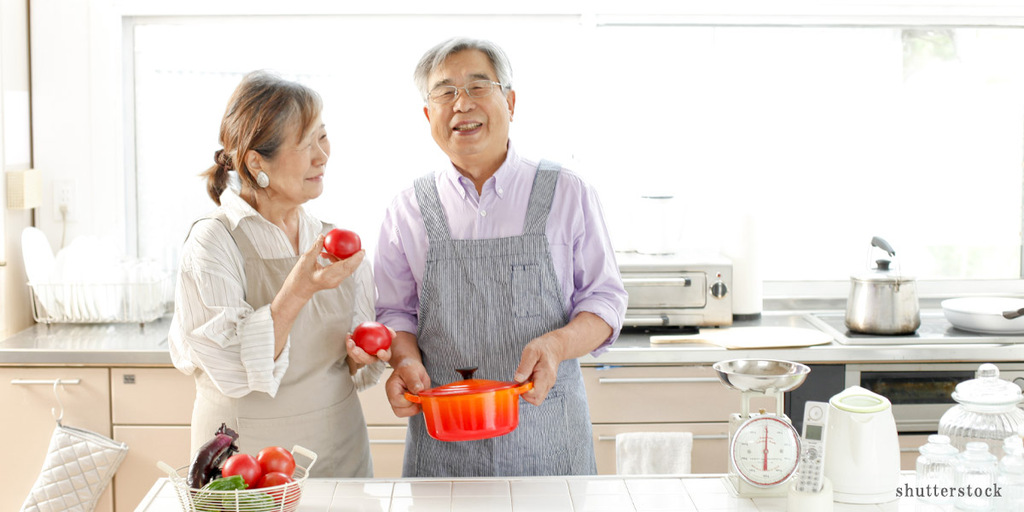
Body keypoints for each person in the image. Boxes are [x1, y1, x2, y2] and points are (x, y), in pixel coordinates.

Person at [374, 37, 628, 477]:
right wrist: (406, 361)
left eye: (477, 87)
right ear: (427, 114)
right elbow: (395, 313)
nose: (461, 105)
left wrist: (556, 344)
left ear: (510, 102)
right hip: (443, 448)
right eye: (445, 92)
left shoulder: (568, 193)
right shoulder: (406, 209)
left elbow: (605, 302)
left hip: (549, 442)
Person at [168, 71, 390, 478]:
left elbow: (353, 360)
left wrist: (361, 358)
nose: (322, 155)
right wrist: (297, 290)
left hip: (339, 453)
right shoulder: (213, 242)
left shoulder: (332, 239)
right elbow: (233, 367)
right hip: (246, 466)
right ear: (256, 161)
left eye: (323, 137)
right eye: (307, 144)